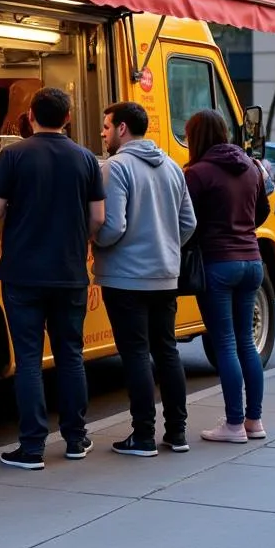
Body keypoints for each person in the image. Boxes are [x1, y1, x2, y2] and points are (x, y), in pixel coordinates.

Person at [0, 87, 105, 470]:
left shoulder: (14, 155)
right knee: (70, 355)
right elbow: (99, 218)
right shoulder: (87, 159)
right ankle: (75, 439)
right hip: (69, 272)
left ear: (31, 115)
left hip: (22, 273)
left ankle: (32, 447)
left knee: (29, 359)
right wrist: (76, 237)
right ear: (68, 118)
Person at [94, 101, 196, 456]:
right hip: (165, 275)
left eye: (107, 127)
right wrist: (165, 246)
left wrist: (95, 240)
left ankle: (142, 435)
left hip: (125, 278)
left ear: (122, 128)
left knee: (136, 354)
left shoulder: (116, 167)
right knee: (167, 352)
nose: (103, 134)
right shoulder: (171, 166)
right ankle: (178, 433)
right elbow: (189, 224)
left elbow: (113, 226)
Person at [184, 109, 271, 443]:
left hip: (218, 263)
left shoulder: (198, 173)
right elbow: (261, 210)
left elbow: (186, 221)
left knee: (225, 344)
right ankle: (254, 422)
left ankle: (233, 424)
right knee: (246, 342)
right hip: (252, 260)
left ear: (195, 137)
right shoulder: (251, 167)